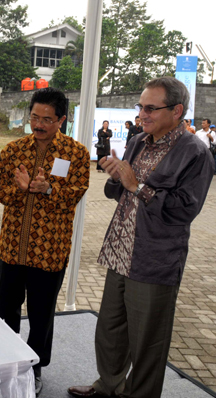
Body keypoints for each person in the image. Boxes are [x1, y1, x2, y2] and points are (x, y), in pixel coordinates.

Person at [68, 77, 214, 398]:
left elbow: (184, 211)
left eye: (150, 108)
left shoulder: (195, 153)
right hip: (119, 251)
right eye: (140, 107)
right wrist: (116, 175)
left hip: (154, 261)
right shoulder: (138, 142)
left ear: (176, 111)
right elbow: (119, 192)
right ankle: (108, 385)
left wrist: (137, 186)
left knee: (148, 342)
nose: (142, 114)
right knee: (110, 330)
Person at [0, 87, 90, 396]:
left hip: (49, 253)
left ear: (62, 120)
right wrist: (22, 190)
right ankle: (7, 364)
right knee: (6, 312)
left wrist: (47, 189)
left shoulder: (76, 154)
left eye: (47, 119)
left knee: (41, 316)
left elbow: (74, 195)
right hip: (11, 248)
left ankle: (34, 369)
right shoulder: (13, 150)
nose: (39, 125)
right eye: (34, 116)